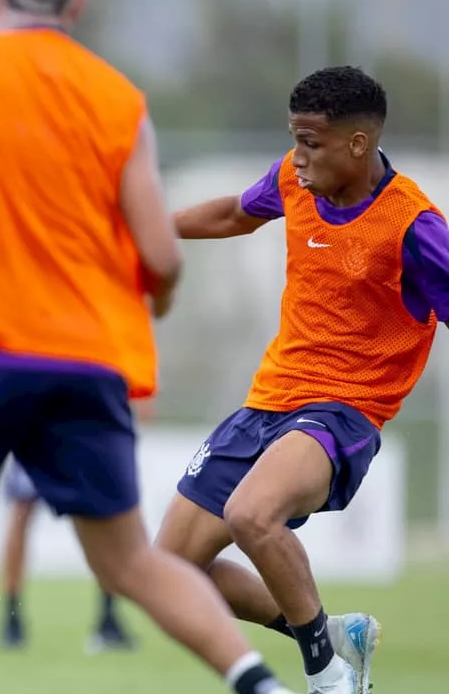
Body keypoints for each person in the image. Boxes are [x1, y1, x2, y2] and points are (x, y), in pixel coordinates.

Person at [0, 0, 298, 693]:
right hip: (89, 362)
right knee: (132, 564)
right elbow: (164, 257)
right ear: (77, 4)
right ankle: (258, 680)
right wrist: (162, 300)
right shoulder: (121, 102)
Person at [155, 64, 446, 694]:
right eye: (295, 139)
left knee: (251, 514)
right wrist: (142, 228)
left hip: (342, 413)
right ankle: (335, 634)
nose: (298, 156)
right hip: (267, 401)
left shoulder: (413, 226)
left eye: (311, 142)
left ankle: (328, 677)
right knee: (167, 569)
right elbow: (235, 213)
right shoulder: (295, 179)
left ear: (358, 144)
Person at [0, 399, 156, 654]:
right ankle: (104, 618)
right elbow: (144, 403)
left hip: (45, 421)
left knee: (26, 514)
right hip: (77, 427)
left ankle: (12, 620)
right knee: (92, 516)